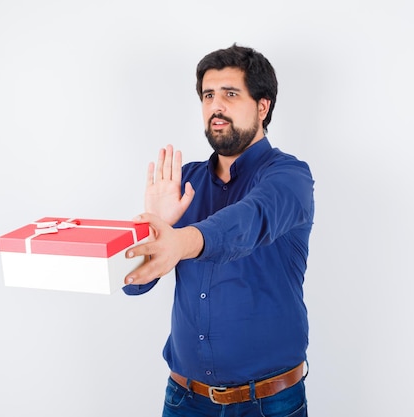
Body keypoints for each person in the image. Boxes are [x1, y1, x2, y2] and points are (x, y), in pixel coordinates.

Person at [122, 44, 315, 417]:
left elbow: (249, 221)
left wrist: (181, 240)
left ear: (263, 106)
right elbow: (135, 284)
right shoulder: (184, 182)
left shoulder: (289, 177)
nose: (216, 106)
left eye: (230, 94)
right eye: (208, 95)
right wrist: (151, 227)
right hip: (184, 399)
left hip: (269, 404)